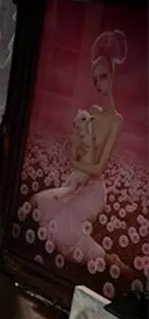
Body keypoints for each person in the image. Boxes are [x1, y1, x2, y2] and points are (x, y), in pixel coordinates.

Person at [32, 30, 127, 265]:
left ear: (112, 76)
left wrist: (74, 162)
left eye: (103, 76)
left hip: (94, 189)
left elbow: (98, 168)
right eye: (95, 79)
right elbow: (75, 149)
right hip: (75, 180)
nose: (98, 84)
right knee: (38, 203)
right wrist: (72, 145)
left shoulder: (116, 121)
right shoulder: (91, 112)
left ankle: (109, 261)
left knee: (63, 230)